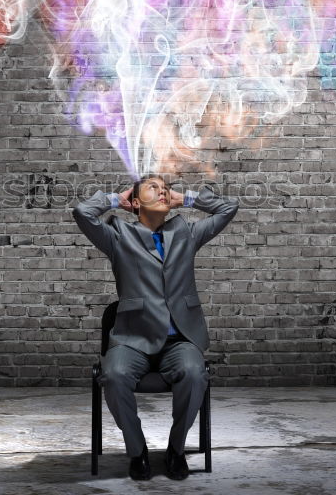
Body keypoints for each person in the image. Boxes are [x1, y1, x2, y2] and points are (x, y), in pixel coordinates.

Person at [71, 174, 239, 480]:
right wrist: (114, 200)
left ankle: (176, 450)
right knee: (114, 374)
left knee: (193, 372)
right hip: (133, 339)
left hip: (179, 341)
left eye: (165, 188)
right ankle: (138, 452)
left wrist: (187, 198)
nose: (162, 191)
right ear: (135, 203)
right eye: (153, 187)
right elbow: (82, 213)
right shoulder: (118, 234)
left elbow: (228, 208)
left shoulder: (186, 232)